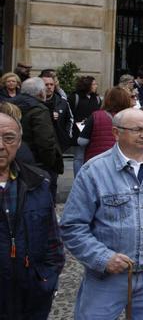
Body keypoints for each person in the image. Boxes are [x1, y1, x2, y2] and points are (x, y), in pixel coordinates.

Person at [61, 108, 143, 320]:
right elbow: (72, 226)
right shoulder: (94, 170)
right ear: (116, 133)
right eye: (137, 129)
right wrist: (103, 258)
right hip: (106, 278)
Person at [0, 112, 65, 319]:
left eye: (8, 138)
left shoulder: (37, 182)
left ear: (19, 143)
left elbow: (52, 240)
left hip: (31, 296)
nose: (1, 145)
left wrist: (47, 280)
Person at [11, 78, 64, 198]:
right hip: (37, 163)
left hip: (16, 157)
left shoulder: (10, 104)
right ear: (41, 92)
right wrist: (50, 162)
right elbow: (45, 140)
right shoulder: (39, 109)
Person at [40, 71, 74, 151]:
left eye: (51, 84)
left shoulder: (62, 101)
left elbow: (70, 119)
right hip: (40, 144)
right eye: (46, 85)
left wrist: (67, 135)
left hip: (59, 144)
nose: (49, 87)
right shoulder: (35, 101)